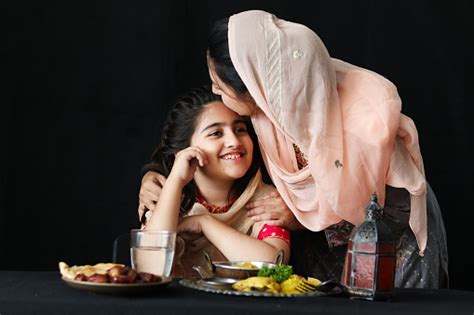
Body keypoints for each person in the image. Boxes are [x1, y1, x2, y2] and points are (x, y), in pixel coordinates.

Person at [139, 10, 448, 288]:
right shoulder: (266, 118)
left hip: (388, 244)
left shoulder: (362, 127)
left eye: (220, 84)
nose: (215, 91)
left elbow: (379, 209)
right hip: (320, 255)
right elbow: (200, 146)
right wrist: (159, 174)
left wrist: (299, 217)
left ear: (255, 85)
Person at [141, 86, 290, 278]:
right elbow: (150, 270)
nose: (234, 141)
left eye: (240, 129)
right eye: (216, 133)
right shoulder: (166, 195)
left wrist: (205, 223)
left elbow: (273, 268)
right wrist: (176, 181)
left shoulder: (269, 200)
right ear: (186, 150)